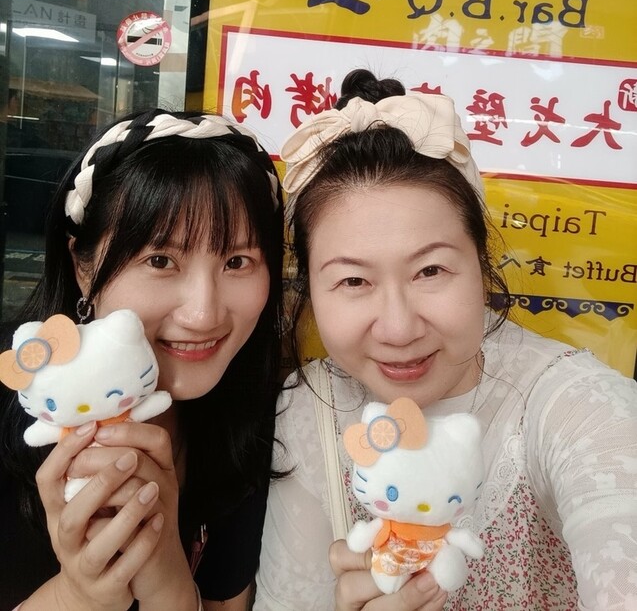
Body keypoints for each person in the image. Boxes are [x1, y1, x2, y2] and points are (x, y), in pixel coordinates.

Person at [254, 69, 637, 611]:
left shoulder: (576, 406)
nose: (399, 328)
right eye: (354, 281)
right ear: (311, 289)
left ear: (481, 264)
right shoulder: (309, 407)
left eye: (430, 271)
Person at [0, 109, 285, 611]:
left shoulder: (254, 419)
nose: (203, 315)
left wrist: (169, 582)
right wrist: (75, 595)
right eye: (160, 261)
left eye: (237, 261)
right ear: (83, 267)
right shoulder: (14, 399)